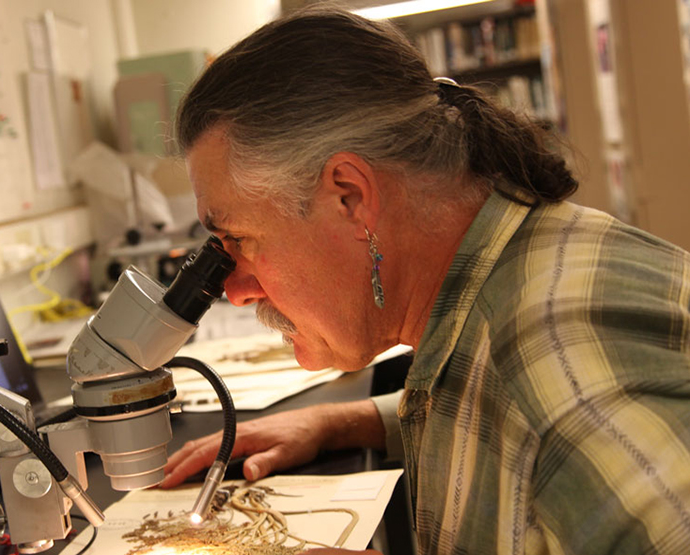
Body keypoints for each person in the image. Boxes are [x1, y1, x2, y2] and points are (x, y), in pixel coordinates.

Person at [160, 6, 690, 555]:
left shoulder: (563, 369)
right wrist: (350, 422)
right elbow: (503, 414)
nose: (238, 292)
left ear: (351, 197)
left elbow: (555, 406)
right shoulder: (504, 273)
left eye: (240, 240)